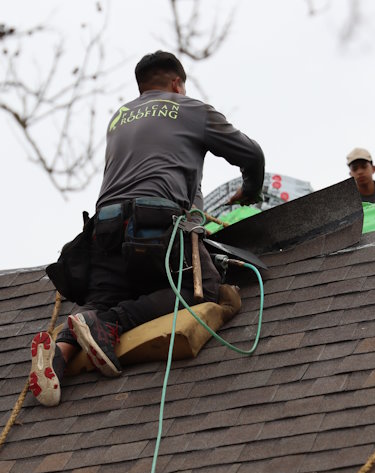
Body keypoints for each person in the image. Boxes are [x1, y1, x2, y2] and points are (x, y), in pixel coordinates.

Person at [29, 50, 265, 407]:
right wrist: (249, 190)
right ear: (176, 83)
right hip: (158, 224)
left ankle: (58, 355)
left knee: (103, 297)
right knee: (202, 290)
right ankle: (110, 324)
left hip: (106, 230)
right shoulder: (192, 110)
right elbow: (251, 154)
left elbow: (159, 170)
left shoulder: (119, 118)